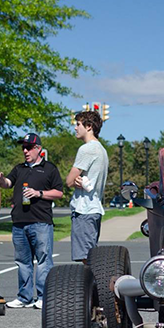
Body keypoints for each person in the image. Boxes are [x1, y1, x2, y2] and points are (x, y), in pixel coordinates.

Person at [0, 133, 63, 309]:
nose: (25, 151)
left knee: (43, 260)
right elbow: (8, 183)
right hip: (19, 223)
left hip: (41, 222)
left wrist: (39, 193)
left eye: (29, 147)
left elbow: (59, 192)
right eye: (23, 147)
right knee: (22, 261)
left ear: (38, 149)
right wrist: (0, 179)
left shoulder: (49, 168)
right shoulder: (19, 169)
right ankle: (24, 297)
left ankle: (43, 297)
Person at [66, 109, 109, 264]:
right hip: (94, 208)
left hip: (84, 210)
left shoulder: (87, 149)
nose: (75, 128)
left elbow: (69, 181)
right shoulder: (102, 150)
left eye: (78, 124)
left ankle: (95, 288)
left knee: (87, 260)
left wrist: (75, 179)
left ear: (89, 126)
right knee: (91, 256)